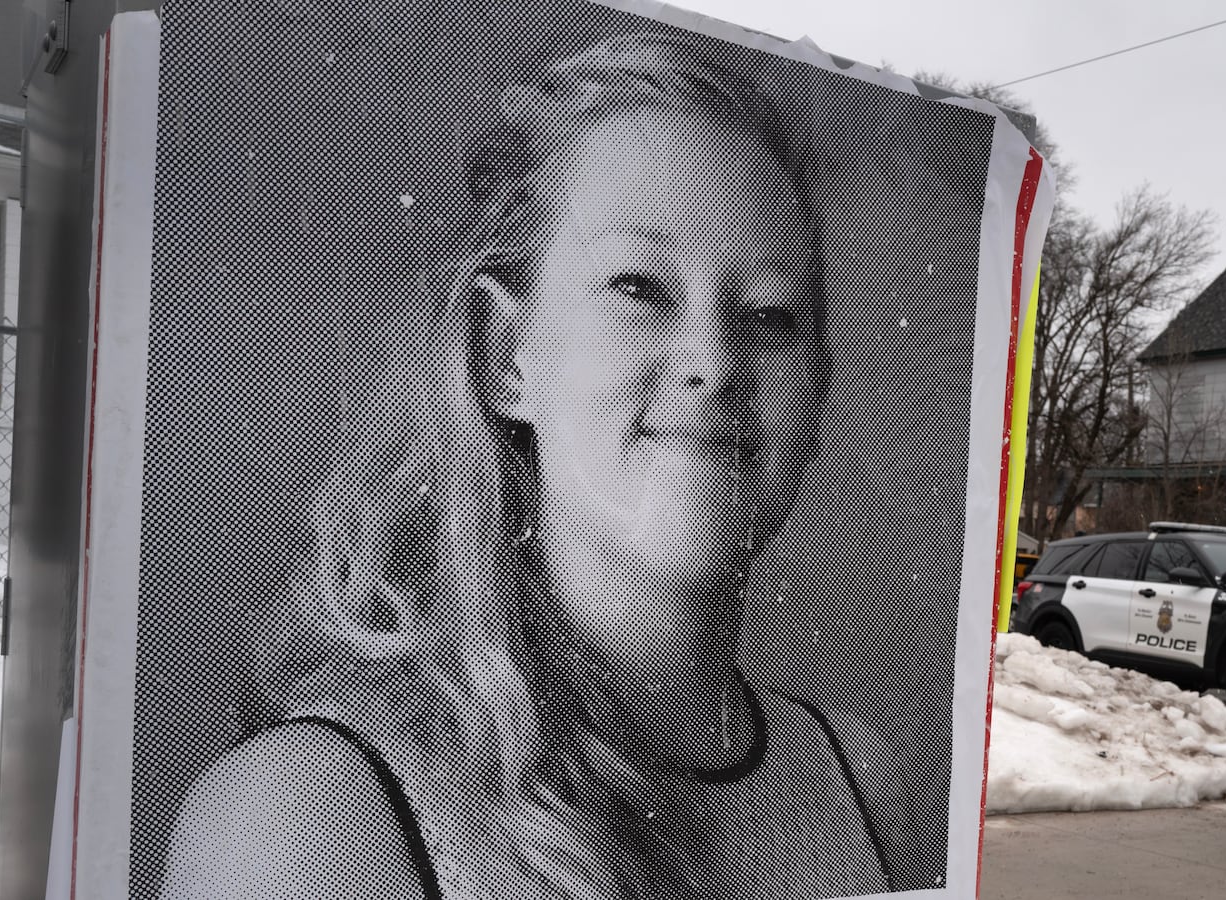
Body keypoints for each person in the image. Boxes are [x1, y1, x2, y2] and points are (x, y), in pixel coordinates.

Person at [161, 32, 902, 900]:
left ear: (816, 397)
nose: (716, 360)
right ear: (508, 354)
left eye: (772, 314)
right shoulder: (312, 817)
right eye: (640, 286)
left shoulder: (860, 780)